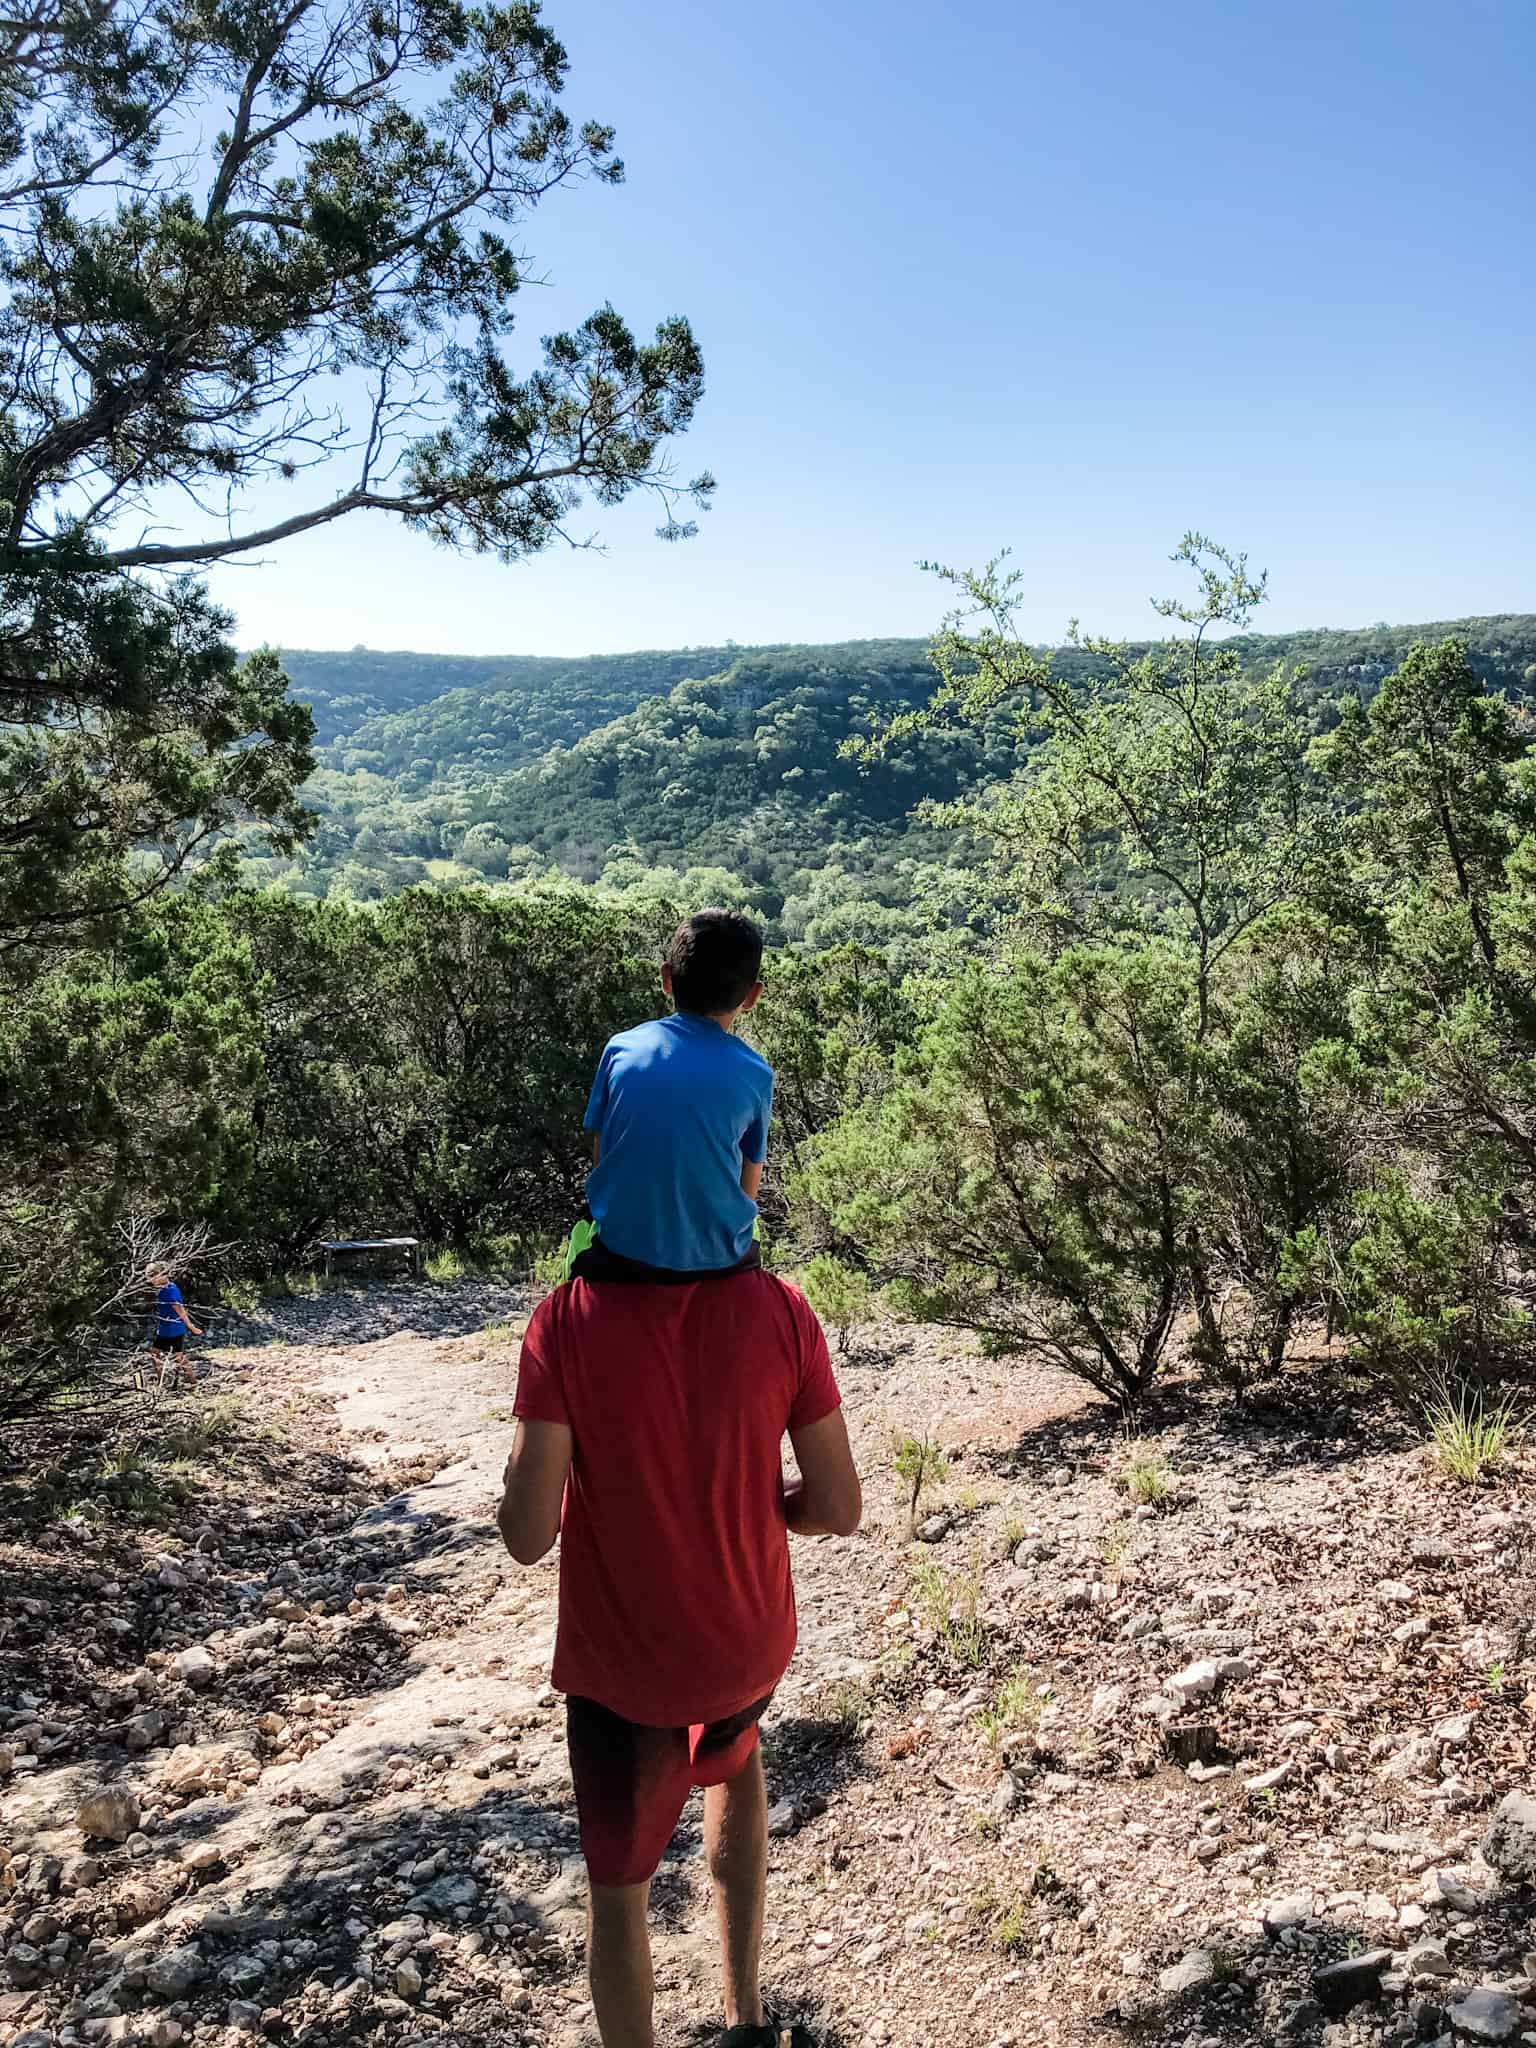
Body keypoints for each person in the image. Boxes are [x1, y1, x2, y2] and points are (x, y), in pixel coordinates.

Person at [497, 1263, 861, 2048]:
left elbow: (527, 1539)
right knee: (736, 1757)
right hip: (747, 1643)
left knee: (621, 1890)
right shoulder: (783, 1307)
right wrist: (768, 1504)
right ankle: (746, 2023)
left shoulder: (565, 1319)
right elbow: (838, 1506)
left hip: (627, 1667)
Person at [570, 909, 772, 1281]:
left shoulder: (620, 1050)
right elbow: (749, 1184)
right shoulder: (756, 1073)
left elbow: (602, 1155)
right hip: (718, 1261)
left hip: (622, 1249)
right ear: (752, 996)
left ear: (667, 978)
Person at [147, 1265, 201, 1391]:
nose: (150, 1280)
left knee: (156, 1354)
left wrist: (191, 1326)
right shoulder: (170, 1287)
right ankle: (192, 1381)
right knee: (178, 1356)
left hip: (171, 1329)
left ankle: (162, 1383)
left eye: (152, 1277)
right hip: (173, 1327)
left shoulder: (168, 1291)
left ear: (162, 1275)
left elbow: (179, 1309)